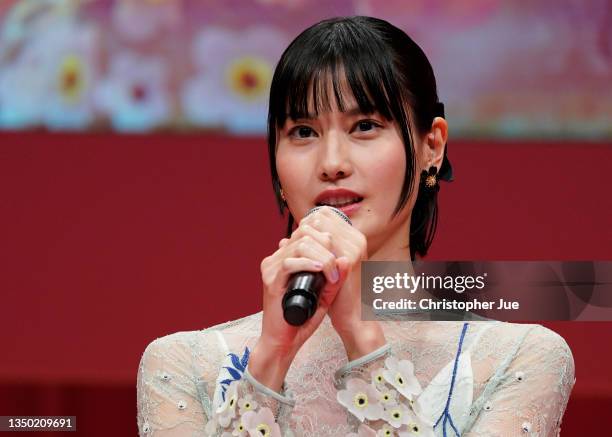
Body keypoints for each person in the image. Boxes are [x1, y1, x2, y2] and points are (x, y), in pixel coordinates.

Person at [136, 16, 575, 436]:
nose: (331, 165)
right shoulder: (182, 365)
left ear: (432, 147)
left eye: (364, 126)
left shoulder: (516, 358)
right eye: (303, 132)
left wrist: (362, 340)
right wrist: (269, 360)